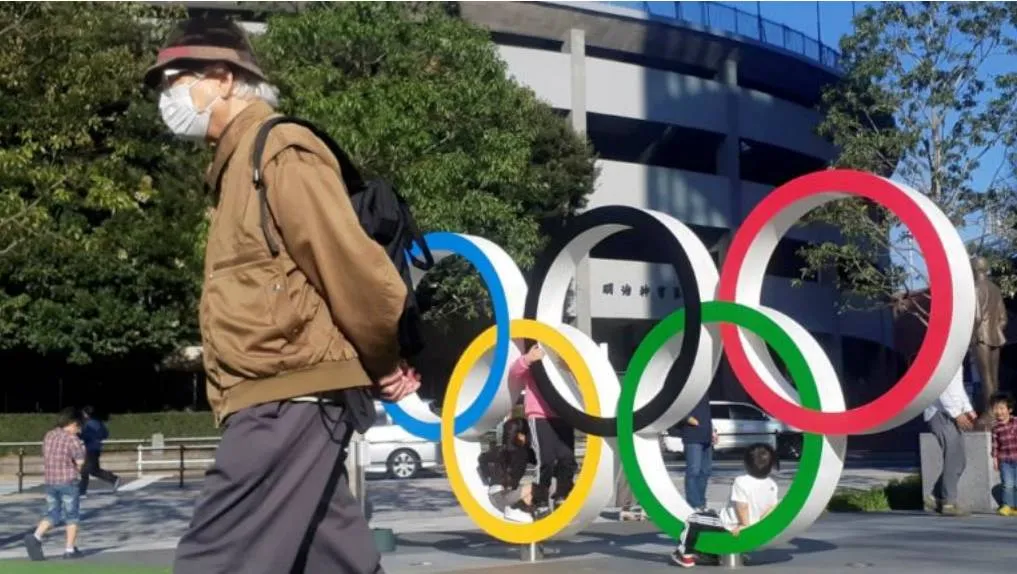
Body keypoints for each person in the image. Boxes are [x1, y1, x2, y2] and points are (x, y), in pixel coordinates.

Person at [144, 17, 419, 574]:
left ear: (221, 77)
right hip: (284, 396)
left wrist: (384, 361)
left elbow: (354, 269)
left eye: (173, 79)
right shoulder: (235, 171)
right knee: (333, 560)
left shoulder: (279, 152)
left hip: (287, 395)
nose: (166, 97)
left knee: (215, 558)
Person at [670, 443, 780, 568]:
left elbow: (741, 505)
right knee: (708, 517)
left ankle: (685, 555)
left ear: (746, 464)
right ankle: (721, 551)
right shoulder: (772, 485)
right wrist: (757, 524)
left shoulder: (742, 481)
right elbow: (772, 507)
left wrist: (744, 524)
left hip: (728, 523)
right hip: (755, 525)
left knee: (693, 519)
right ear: (771, 466)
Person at [509, 342, 577, 512]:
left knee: (567, 458)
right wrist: (528, 359)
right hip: (539, 415)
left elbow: (579, 380)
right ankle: (540, 500)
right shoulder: (535, 354)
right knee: (545, 459)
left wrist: (570, 367)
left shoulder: (561, 353)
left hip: (563, 413)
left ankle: (562, 495)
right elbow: (514, 373)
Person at [23, 408, 87, 561]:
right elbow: (80, 462)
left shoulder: (49, 435)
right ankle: (69, 550)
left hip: (50, 481)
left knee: (52, 513)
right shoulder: (73, 439)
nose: (79, 430)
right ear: (73, 424)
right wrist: (77, 467)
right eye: (79, 427)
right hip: (68, 481)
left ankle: (36, 536)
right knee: (72, 516)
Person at [923, 367, 976, 516]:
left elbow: (957, 388)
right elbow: (942, 388)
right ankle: (948, 503)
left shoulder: (957, 359)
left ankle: (935, 496)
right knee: (954, 459)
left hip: (950, 413)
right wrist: (957, 414)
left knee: (959, 460)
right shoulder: (945, 358)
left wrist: (968, 409)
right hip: (940, 414)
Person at [479, 417, 535, 523]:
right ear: (520, 436)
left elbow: (481, 459)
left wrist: (486, 478)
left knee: (531, 492)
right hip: (504, 497)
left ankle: (523, 511)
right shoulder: (523, 453)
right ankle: (521, 511)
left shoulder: (498, 450)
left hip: (494, 496)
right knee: (538, 487)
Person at [676, 396, 719, 512]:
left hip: (706, 435)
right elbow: (677, 408)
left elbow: (707, 414)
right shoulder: (689, 390)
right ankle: (693, 503)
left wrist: (713, 431)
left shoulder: (704, 391)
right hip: (692, 436)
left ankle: (701, 502)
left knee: (705, 471)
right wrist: (688, 419)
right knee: (693, 471)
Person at [78, 406, 121, 496]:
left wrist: (78, 434)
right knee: (94, 470)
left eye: (83, 413)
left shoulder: (88, 424)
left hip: (91, 448)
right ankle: (113, 478)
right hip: (97, 448)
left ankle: (82, 491)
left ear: (86, 414)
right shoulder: (98, 423)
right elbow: (105, 434)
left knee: (85, 470)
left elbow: (85, 435)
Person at [990, 393, 1017, 516]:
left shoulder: (1016, 422)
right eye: (996, 408)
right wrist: (995, 459)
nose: (998, 411)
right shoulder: (995, 427)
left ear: (1009, 410)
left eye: (1001, 408)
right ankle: (1007, 505)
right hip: (1005, 460)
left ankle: (1015, 507)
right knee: (1007, 484)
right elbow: (995, 445)